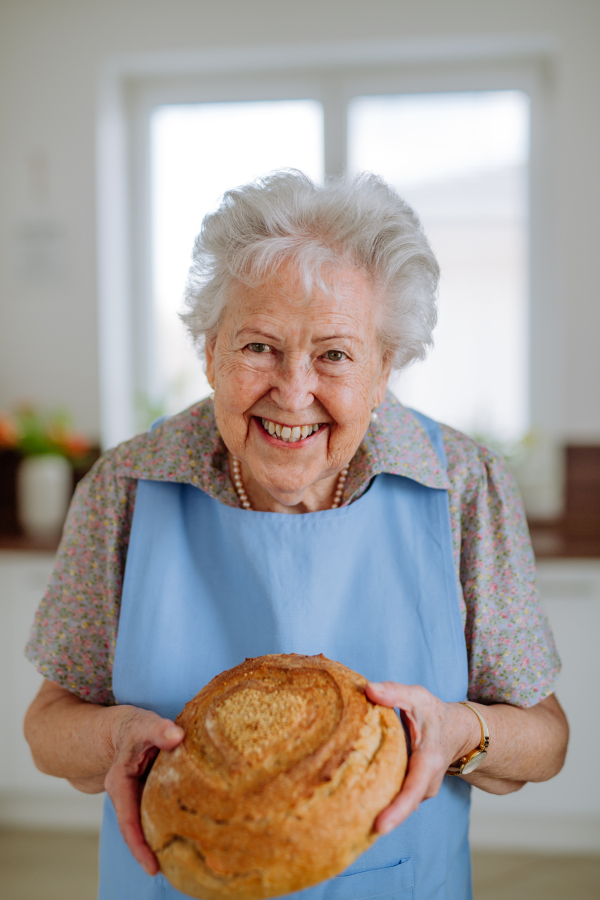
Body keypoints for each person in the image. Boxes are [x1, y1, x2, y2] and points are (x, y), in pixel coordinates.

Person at [24, 171, 568, 900]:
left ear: (384, 369)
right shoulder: (126, 486)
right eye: (258, 347)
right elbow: (47, 726)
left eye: (335, 355)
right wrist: (111, 738)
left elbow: (546, 739)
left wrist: (460, 731)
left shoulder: (463, 486)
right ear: (210, 351)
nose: (292, 390)